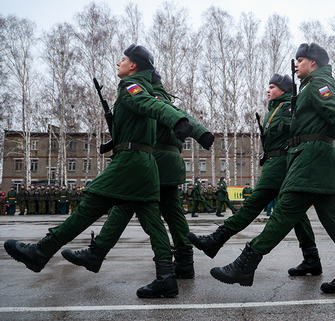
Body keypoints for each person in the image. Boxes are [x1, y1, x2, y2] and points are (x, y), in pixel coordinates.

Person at [4, 44, 195, 298]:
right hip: (147, 167)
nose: (119, 63)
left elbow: (154, 109)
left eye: (123, 59)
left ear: (133, 65)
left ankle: (41, 251)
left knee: (89, 206)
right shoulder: (151, 91)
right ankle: (166, 278)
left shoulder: (132, 87)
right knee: (153, 222)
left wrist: (179, 120)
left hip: (129, 163)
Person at [209, 43, 335, 293]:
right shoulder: (309, 87)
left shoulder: (319, 85)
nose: (296, 64)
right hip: (315, 159)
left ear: (314, 62)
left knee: (284, 212)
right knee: (332, 219)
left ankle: (246, 263)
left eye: (300, 60)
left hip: (311, 160)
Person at [61, 68, 215, 281]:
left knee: (124, 205)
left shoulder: (151, 96)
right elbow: (184, 116)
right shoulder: (164, 97)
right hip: (172, 163)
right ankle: (184, 261)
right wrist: (202, 133)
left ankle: (97, 253)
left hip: (155, 159)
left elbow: (171, 115)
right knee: (173, 212)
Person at [188, 74, 323, 277]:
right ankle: (311, 258)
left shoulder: (289, 108)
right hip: (274, 164)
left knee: (252, 205)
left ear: (284, 90)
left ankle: (216, 239)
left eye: (272, 86)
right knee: (296, 214)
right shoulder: (275, 110)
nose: (268, 90)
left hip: (281, 166)